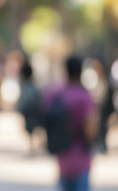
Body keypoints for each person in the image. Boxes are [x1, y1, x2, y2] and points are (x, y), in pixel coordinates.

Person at [42, 55, 98, 191]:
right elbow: (90, 127)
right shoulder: (84, 96)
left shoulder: (55, 94)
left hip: (62, 154)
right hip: (81, 155)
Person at [16, 59, 42, 155]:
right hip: (32, 110)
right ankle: (33, 144)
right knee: (32, 128)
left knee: (30, 128)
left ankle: (33, 144)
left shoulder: (26, 86)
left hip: (29, 110)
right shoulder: (32, 86)